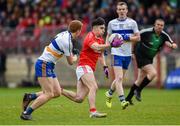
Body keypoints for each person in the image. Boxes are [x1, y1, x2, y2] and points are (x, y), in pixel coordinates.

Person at [20, 20, 83, 120]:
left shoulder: (64, 34)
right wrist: (75, 55)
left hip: (48, 65)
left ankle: (30, 96)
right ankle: (26, 113)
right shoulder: (68, 42)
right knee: (49, 94)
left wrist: (71, 53)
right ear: (78, 31)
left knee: (57, 92)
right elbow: (71, 62)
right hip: (44, 64)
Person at [62, 17, 112, 118]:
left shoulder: (101, 40)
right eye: (102, 28)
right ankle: (93, 111)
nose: (104, 30)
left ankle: (59, 90)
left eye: (104, 28)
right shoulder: (90, 36)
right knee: (93, 87)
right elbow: (96, 47)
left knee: (79, 98)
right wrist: (110, 45)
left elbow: (101, 55)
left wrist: (105, 67)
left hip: (87, 69)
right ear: (96, 28)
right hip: (84, 66)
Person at [125, 19, 178, 104]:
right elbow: (134, 38)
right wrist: (132, 52)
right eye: (158, 24)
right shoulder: (145, 32)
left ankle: (128, 98)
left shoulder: (164, 35)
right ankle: (138, 90)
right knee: (153, 73)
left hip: (149, 58)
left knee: (140, 79)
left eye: (162, 25)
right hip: (140, 55)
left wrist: (173, 45)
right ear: (154, 25)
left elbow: (168, 42)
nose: (160, 26)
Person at [105, 1, 140, 109]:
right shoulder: (112, 23)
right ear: (117, 11)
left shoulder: (132, 23)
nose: (121, 11)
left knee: (119, 79)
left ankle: (109, 93)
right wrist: (106, 47)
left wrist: (126, 37)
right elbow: (108, 36)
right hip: (116, 53)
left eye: (123, 9)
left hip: (127, 54)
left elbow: (138, 38)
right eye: (119, 9)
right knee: (119, 77)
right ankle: (123, 100)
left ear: (127, 10)